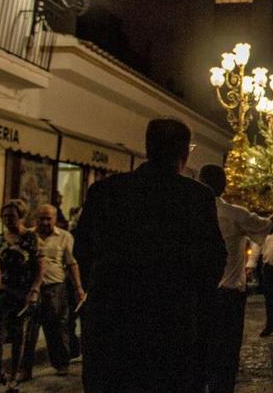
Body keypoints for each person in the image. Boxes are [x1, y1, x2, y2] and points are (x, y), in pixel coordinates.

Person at [73, 118, 227, 392]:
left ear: (148, 148)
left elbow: (82, 250)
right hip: (171, 323)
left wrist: (103, 288)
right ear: (183, 152)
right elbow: (213, 260)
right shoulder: (196, 197)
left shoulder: (105, 191)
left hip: (112, 319)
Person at [198, 164, 273, 393]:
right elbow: (267, 225)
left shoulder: (187, 211)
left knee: (198, 352)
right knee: (225, 355)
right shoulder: (233, 213)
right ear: (224, 186)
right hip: (227, 295)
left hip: (196, 292)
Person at [24, 204, 86, 378]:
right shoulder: (28, 236)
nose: (44, 222)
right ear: (36, 218)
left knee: (57, 327)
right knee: (29, 330)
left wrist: (79, 288)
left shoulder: (64, 236)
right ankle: (25, 368)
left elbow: (71, 263)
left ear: (55, 219)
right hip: (30, 288)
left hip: (55, 287)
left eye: (48, 218)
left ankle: (61, 363)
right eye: (41, 218)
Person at [0, 199, 43, 387]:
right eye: (5, 217)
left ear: (20, 216)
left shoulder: (30, 238)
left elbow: (39, 266)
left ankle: (14, 374)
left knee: (19, 335)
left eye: (12, 216)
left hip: (23, 293)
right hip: (2, 293)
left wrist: (35, 289)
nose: (8, 220)